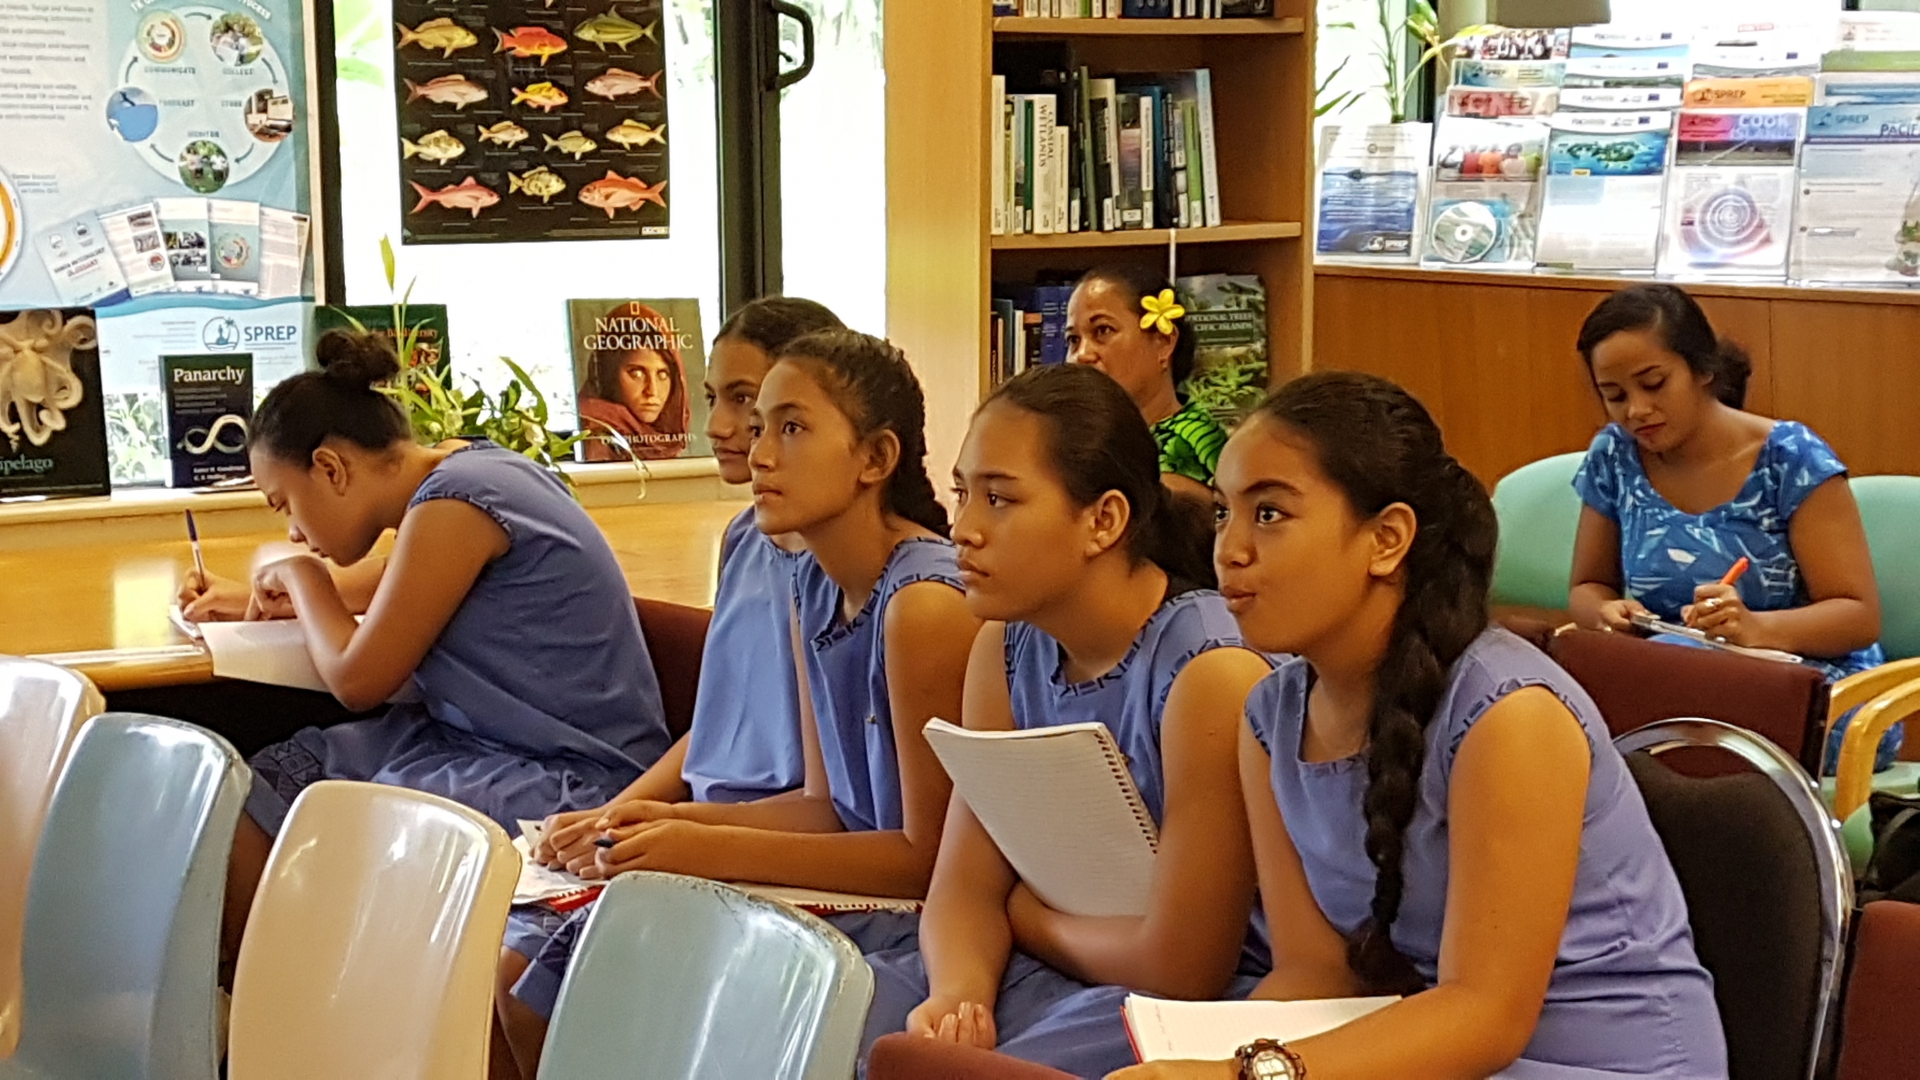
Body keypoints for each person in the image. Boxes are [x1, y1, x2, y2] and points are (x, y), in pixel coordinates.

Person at [1112, 371, 1726, 1080]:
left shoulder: (1509, 715)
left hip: (1593, 1061)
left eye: (1271, 513)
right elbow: (1316, 974)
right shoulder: (1268, 716)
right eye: (1224, 513)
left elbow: (1486, 1015)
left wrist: (1243, 1076)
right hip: (1428, 1041)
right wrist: (1220, 1058)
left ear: (1387, 539)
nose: (1232, 549)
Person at [495, 329, 979, 1079]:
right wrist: (665, 820)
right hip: (841, 883)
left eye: (790, 428)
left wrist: (702, 847)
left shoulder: (921, 603)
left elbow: (926, 861)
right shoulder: (809, 578)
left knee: (633, 974)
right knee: (546, 984)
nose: (758, 452)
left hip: (913, 922)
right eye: (760, 429)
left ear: (875, 460)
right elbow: (822, 803)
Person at [177, 330, 671, 965]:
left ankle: (303, 1011)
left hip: (565, 771)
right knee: (269, 783)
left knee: (343, 808)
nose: (294, 531)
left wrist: (303, 576)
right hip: (483, 742)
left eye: (287, 506)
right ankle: (259, 1015)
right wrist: (260, 591)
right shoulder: (465, 468)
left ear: (331, 468)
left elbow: (359, 679)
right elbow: (395, 582)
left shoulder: (454, 504)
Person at [859, 363, 1272, 1077]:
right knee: (815, 1022)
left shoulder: (1209, 673)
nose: (963, 529)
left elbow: (1184, 966)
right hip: (1042, 964)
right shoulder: (1004, 644)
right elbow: (962, 886)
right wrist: (959, 995)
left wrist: (1026, 917)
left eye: (999, 498)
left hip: (1177, 1004)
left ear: (1103, 521)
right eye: (963, 493)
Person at [493, 297, 844, 1046]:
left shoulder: (839, 570)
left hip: (770, 848)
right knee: (491, 962)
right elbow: (716, 726)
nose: (718, 425)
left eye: (746, 402)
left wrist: (667, 827)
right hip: (700, 830)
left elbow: (827, 801)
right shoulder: (745, 537)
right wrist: (618, 811)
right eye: (716, 397)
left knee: (528, 988)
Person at [1566, 284, 1891, 770]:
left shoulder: (1790, 459)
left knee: (1650, 734)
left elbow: (1857, 616)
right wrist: (1606, 613)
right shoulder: (1615, 455)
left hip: (1803, 685)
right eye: (1613, 395)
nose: (1635, 411)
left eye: (1653, 384)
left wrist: (1754, 627)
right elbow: (1587, 587)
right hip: (1677, 677)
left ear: (1703, 370)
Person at [1067, 264, 1228, 498]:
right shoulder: (1086, 438)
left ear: (1164, 342)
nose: (1081, 354)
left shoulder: (1193, 443)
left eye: (1102, 330)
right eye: (1073, 339)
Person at [576, 300, 691, 461]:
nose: (652, 391)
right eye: (637, 373)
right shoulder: (594, 435)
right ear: (609, 374)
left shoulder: (667, 441)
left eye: (662, 375)